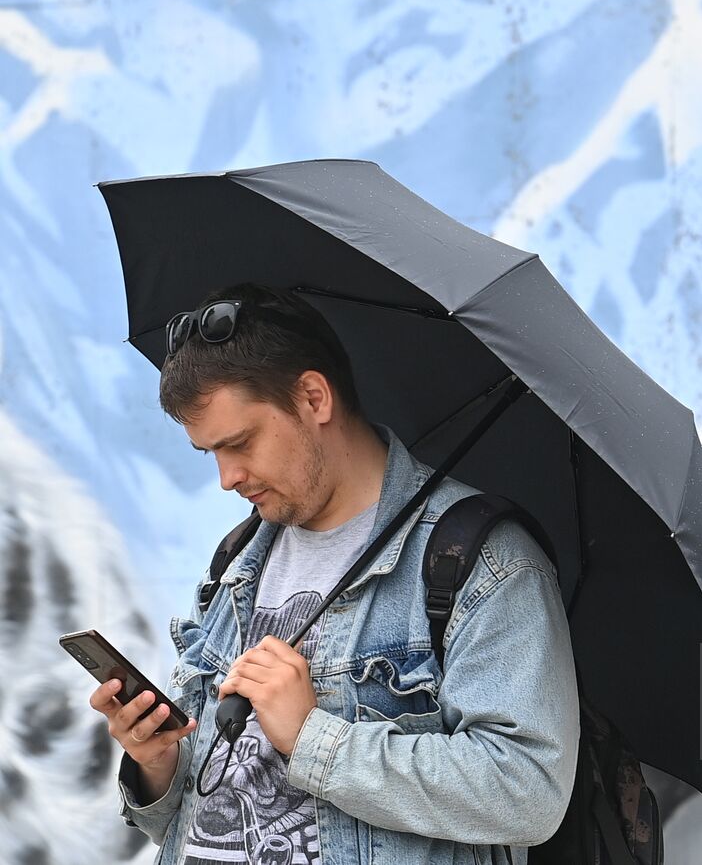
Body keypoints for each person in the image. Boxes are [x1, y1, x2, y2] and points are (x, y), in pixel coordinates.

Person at [87, 282, 580, 865]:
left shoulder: (482, 563)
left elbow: (529, 791)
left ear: (314, 398)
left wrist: (313, 740)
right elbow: (205, 810)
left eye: (240, 442)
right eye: (210, 453)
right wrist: (158, 765)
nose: (227, 477)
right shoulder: (237, 559)